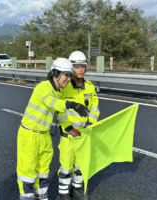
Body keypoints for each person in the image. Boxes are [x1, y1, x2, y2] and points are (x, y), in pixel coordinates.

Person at [17, 58, 89, 200]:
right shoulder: (43, 87)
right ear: (56, 74)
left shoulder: (58, 92)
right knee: (27, 173)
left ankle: (42, 197)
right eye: (66, 76)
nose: (68, 79)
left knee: (43, 172)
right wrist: (71, 104)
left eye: (69, 76)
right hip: (29, 135)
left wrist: (69, 127)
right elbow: (52, 103)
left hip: (44, 136)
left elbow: (60, 113)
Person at [56, 51, 100, 200]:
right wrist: (69, 127)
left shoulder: (89, 86)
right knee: (66, 166)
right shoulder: (64, 87)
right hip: (68, 135)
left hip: (84, 134)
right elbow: (59, 110)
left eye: (83, 66)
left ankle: (77, 190)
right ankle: (63, 193)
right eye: (76, 67)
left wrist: (91, 123)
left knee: (80, 165)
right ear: (70, 68)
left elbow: (94, 108)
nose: (80, 69)